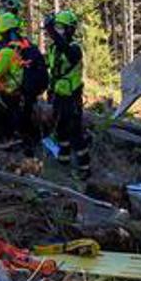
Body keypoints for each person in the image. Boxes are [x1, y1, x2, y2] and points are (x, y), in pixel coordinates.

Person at [0, 12, 45, 146]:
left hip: (8, 97)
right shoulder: (22, 46)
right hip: (19, 96)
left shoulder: (6, 53)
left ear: (1, 32)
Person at [45, 10, 90, 172]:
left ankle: (84, 168)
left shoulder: (74, 48)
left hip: (72, 98)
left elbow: (69, 54)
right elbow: (51, 70)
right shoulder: (53, 49)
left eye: (61, 27)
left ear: (70, 29)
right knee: (61, 130)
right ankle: (63, 161)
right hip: (57, 96)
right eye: (56, 27)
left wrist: (51, 31)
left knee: (75, 134)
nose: (58, 30)